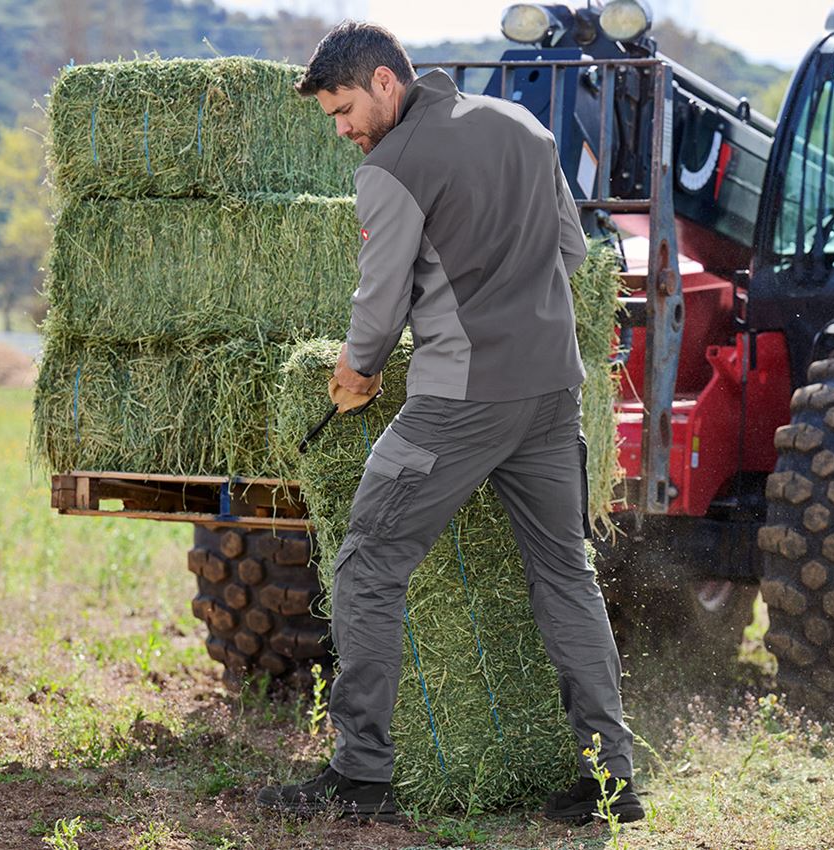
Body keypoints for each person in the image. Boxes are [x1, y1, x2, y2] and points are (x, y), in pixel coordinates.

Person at [257, 20, 641, 826]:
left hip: (461, 399)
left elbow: (381, 296)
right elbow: (572, 252)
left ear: (385, 83)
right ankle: (612, 778)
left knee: (366, 563)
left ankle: (361, 773)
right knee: (565, 574)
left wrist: (356, 374)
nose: (342, 129)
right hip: (552, 390)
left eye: (343, 109)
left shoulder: (392, 167)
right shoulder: (525, 128)